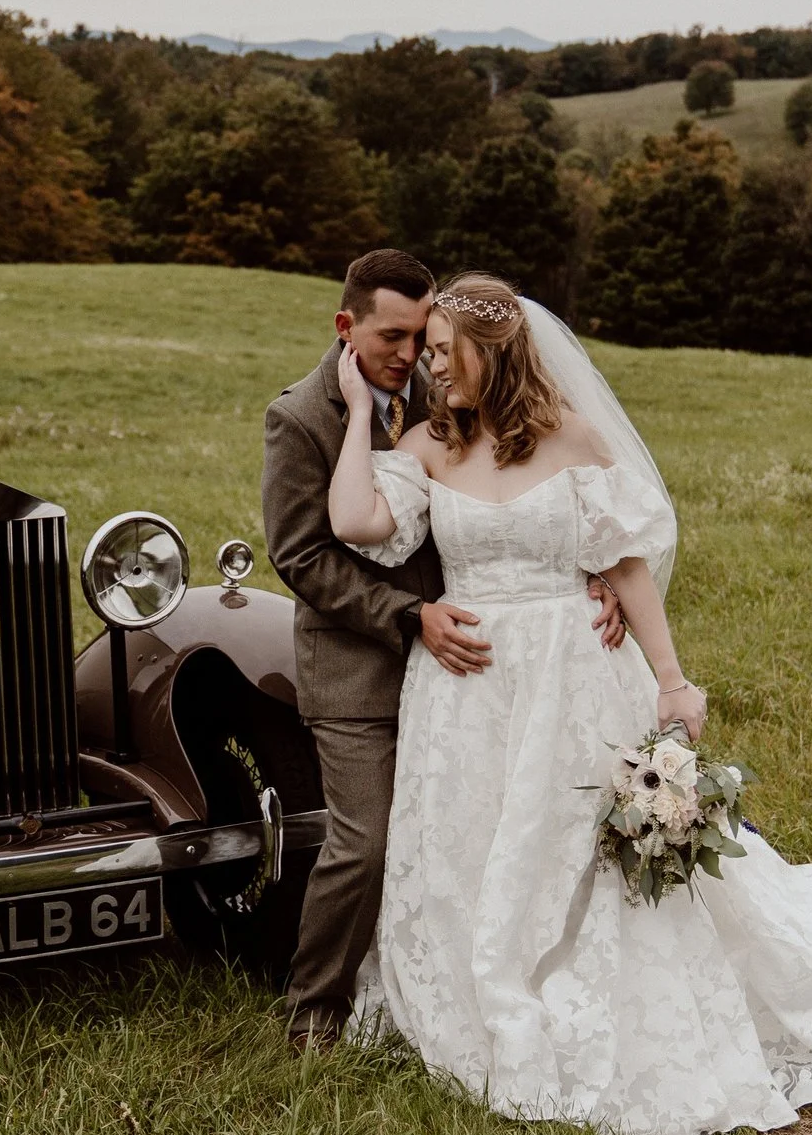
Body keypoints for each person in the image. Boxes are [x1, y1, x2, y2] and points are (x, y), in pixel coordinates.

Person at [324, 270, 812, 1135]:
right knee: (474, 838)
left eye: (443, 353)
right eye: (425, 354)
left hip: (575, 672)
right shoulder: (431, 445)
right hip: (468, 686)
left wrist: (671, 679)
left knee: (578, 840)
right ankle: (485, 988)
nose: (431, 369)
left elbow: (622, 564)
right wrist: (361, 411)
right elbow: (356, 519)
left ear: (493, 352)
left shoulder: (572, 438)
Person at [262, 250, 625, 1054]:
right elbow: (302, 557)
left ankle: (472, 975)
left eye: (422, 335)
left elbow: (523, 485)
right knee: (368, 842)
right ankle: (313, 1009)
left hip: (472, 668)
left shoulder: (450, 387)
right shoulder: (300, 416)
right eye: (393, 336)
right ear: (345, 325)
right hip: (361, 661)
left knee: (477, 831)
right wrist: (410, 615)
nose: (409, 352)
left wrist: (588, 571)